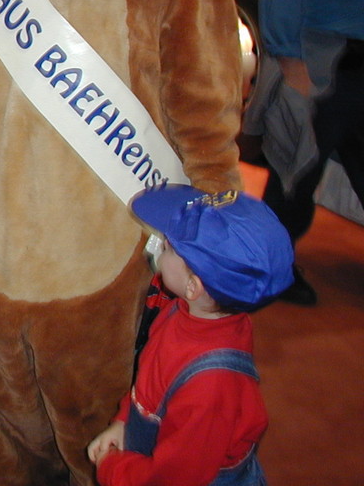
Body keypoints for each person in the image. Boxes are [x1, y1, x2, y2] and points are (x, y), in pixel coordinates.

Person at [87, 186, 294, 486]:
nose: (159, 245)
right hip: (152, 450)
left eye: (169, 247)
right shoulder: (183, 312)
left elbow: (174, 479)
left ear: (193, 286)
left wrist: (112, 469)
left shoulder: (209, 387)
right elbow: (148, 386)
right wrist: (123, 421)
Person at [256, 0, 364, 306]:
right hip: (322, 64)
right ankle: (272, 267)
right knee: (296, 171)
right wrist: (295, 73)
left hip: (360, 64)